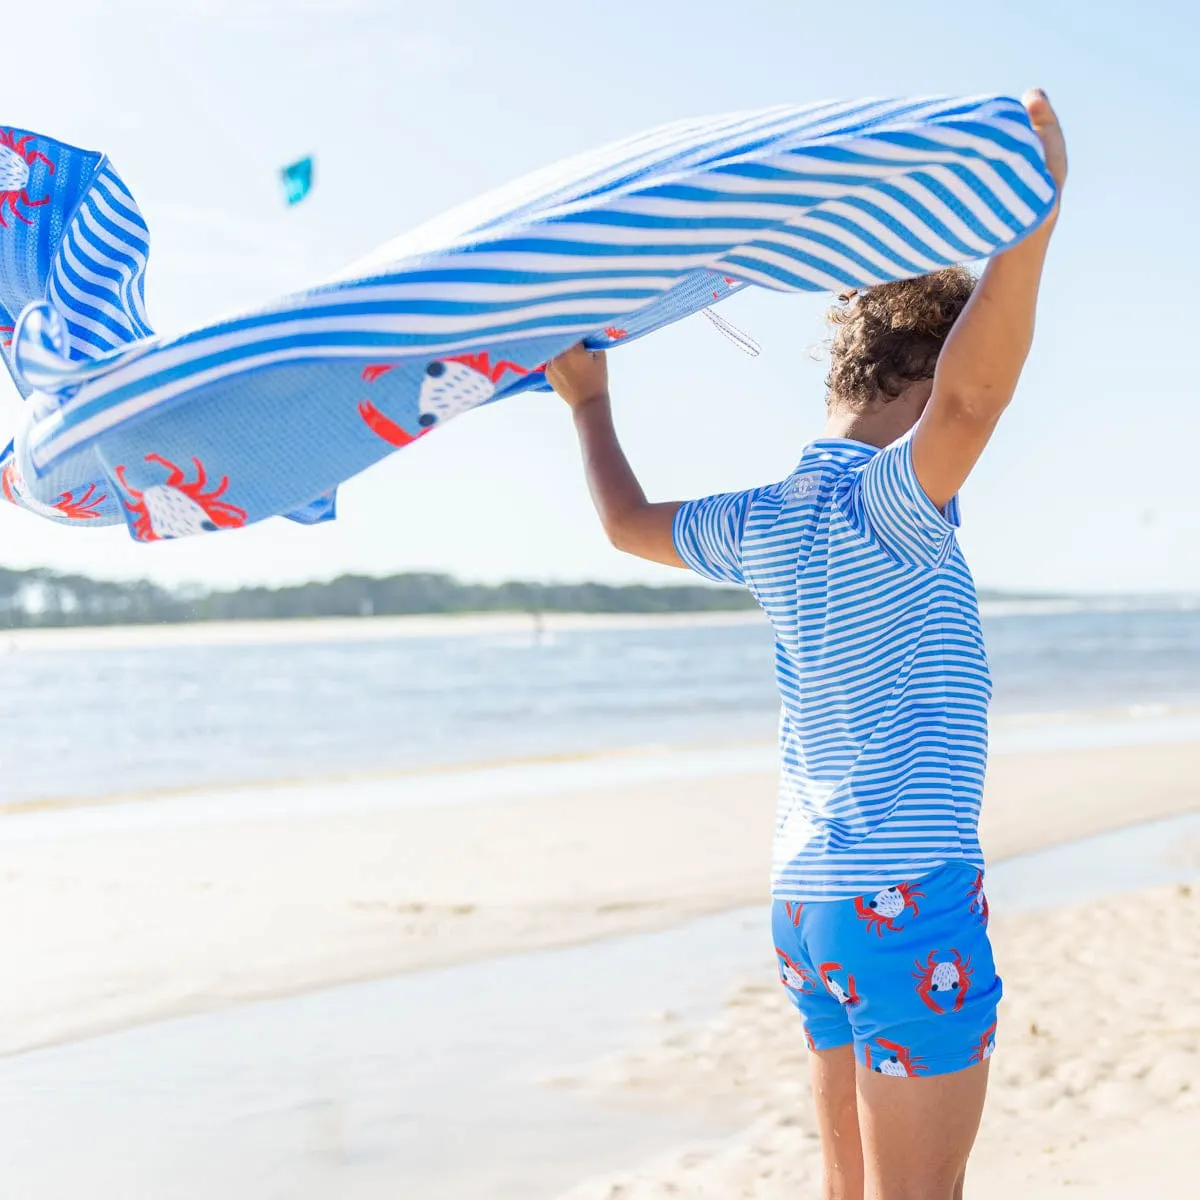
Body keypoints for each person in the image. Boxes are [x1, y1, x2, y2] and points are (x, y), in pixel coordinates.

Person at [545, 89, 1067, 1200]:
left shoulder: (762, 520)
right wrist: (1033, 223)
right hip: (903, 897)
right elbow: (972, 408)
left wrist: (588, 401)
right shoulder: (893, 502)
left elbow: (624, 524)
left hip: (806, 902)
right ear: (916, 382)